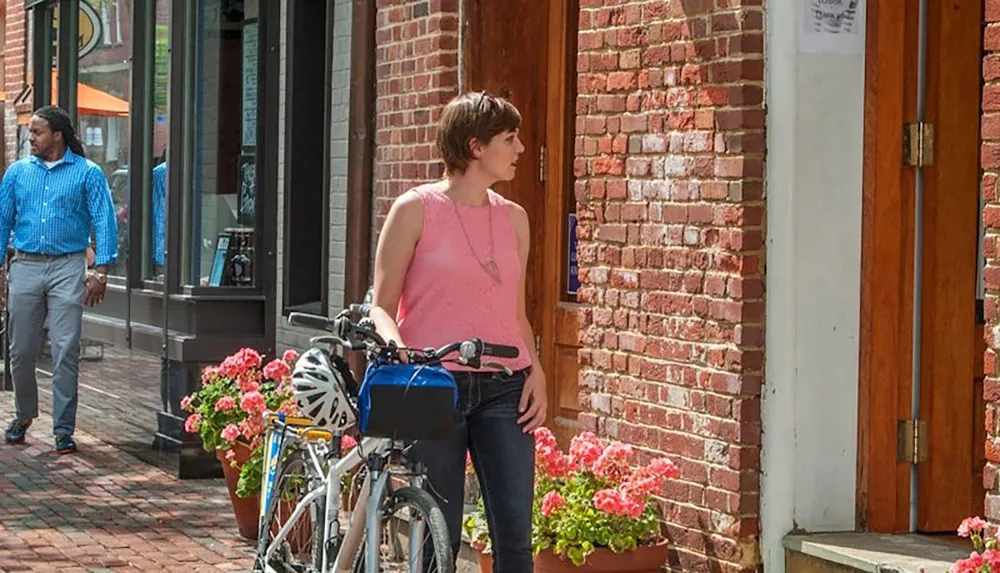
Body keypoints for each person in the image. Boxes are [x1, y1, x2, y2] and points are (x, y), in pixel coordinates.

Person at [369, 91, 545, 572]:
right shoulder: (414, 209)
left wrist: (537, 371)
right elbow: (381, 307)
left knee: (515, 536)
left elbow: (515, 309)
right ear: (475, 147)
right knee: (437, 535)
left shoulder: (515, 218)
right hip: (433, 386)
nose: (521, 149)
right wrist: (399, 353)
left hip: (506, 387)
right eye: (510, 139)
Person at [0, 106, 118, 455]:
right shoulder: (17, 173)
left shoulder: (87, 173)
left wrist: (101, 272)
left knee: (66, 349)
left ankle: (64, 429)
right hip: (25, 266)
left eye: (37, 132)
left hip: (68, 267)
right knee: (20, 350)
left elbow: (105, 221)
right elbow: (3, 219)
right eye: (31, 132)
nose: (31, 138)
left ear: (57, 135)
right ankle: (24, 415)